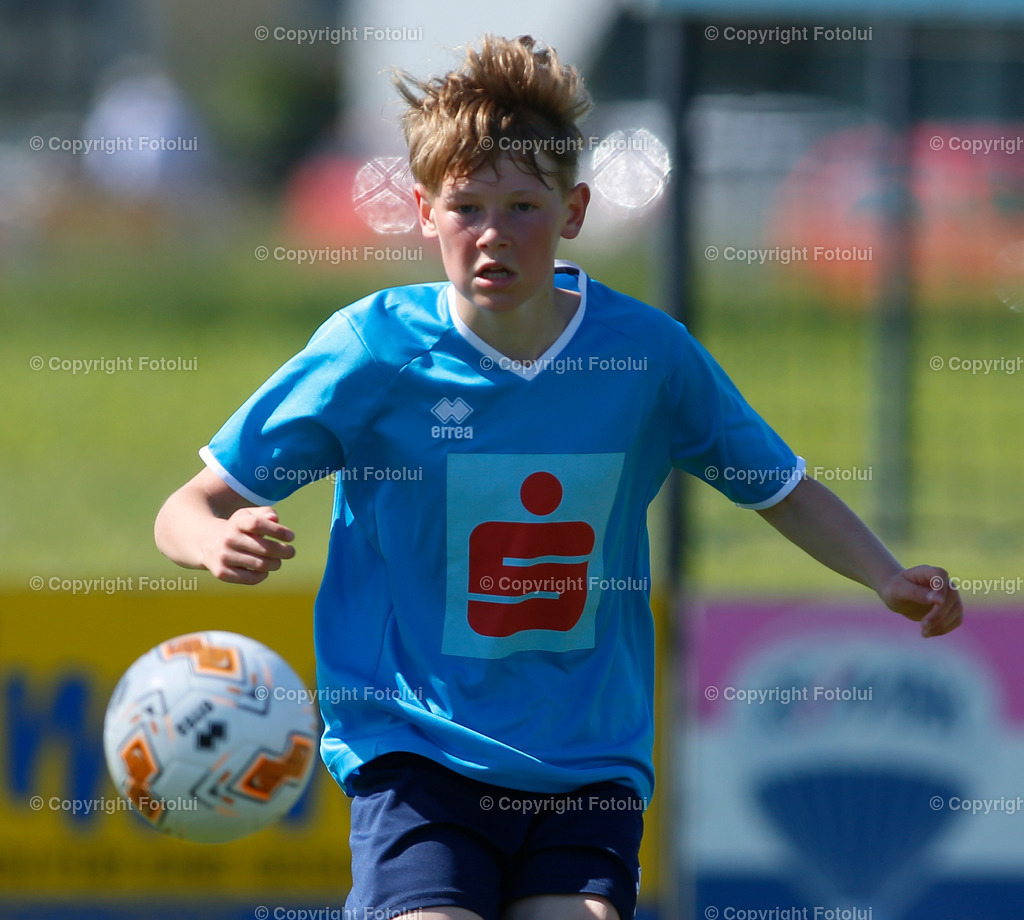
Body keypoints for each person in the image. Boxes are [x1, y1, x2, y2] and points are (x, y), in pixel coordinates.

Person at [154, 34, 963, 920]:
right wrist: (215, 539)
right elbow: (191, 505)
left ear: (573, 209)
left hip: (587, 753)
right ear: (424, 211)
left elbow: (778, 487)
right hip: (418, 747)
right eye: (467, 206)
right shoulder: (371, 351)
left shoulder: (646, 357)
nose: (494, 233)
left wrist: (886, 575)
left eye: (524, 206)